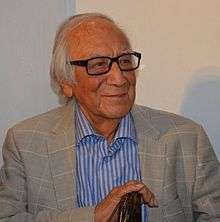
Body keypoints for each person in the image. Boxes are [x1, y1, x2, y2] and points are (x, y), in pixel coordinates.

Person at [0, 13, 220, 222]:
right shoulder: (25, 142)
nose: (119, 78)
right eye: (98, 64)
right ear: (66, 83)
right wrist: (92, 217)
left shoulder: (188, 138)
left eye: (124, 61)